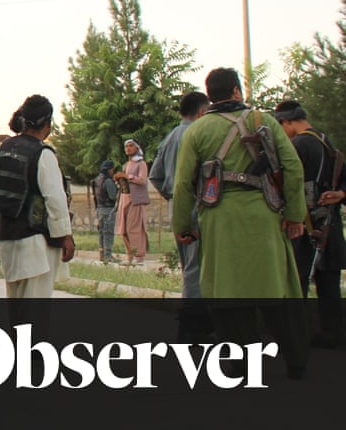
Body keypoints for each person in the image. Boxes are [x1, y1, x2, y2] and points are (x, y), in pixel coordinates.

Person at [171, 68, 309, 378]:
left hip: (219, 220)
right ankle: (296, 362)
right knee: (278, 292)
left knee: (227, 296)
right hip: (265, 216)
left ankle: (240, 364)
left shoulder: (197, 130)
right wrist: (295, 216)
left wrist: (182, 225)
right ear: (236, 91)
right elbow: (293, 168)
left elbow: (183, 184)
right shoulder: (264, 121)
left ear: (210, 95)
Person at [0, 95, 75, 298]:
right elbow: (55, 198)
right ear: (47, 123)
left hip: (8, 240)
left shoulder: (1, 151)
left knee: (17, 307)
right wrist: (66, 236)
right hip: (37, 244)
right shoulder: (43, 153)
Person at [273, 100, 344, 348]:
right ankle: (332, 334)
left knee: (297, 280)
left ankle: (295, 334)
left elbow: (286, 182)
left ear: (286, 122)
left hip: (303, 223)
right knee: (329, 283)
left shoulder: (297, 145)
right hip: (329, 224)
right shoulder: (327, 142)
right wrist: (340, 194)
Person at [149, 91, 210, 296]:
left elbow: (155, 176)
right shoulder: (198, 136)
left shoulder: (170, 138)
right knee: (197, 266)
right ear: (202, 113)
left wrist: (172, 197)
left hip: (176, 206)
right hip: (196, 204)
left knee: (188, 264)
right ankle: (193, 311)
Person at [113, 138, 150, 266]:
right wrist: (118, 179)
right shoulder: (126, 165)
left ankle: (138, 257)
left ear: (137, 148)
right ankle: (130, 255)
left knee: (134, 228)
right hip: (124, 197)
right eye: (126, 146)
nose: (128, 148)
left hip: (135, 199)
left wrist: (127, 176)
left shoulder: (141, 164)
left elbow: (142, 180)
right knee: (123, 229)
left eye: (131, 146)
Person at [92, 160, 119, 263]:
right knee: (108, 232)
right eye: (112, 169)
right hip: (108, 209)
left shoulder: (97, 179)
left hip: (99, 209)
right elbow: (113, 196)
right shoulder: (108, 181)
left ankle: (102, 254)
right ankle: (108, 255)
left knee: (101, 233)